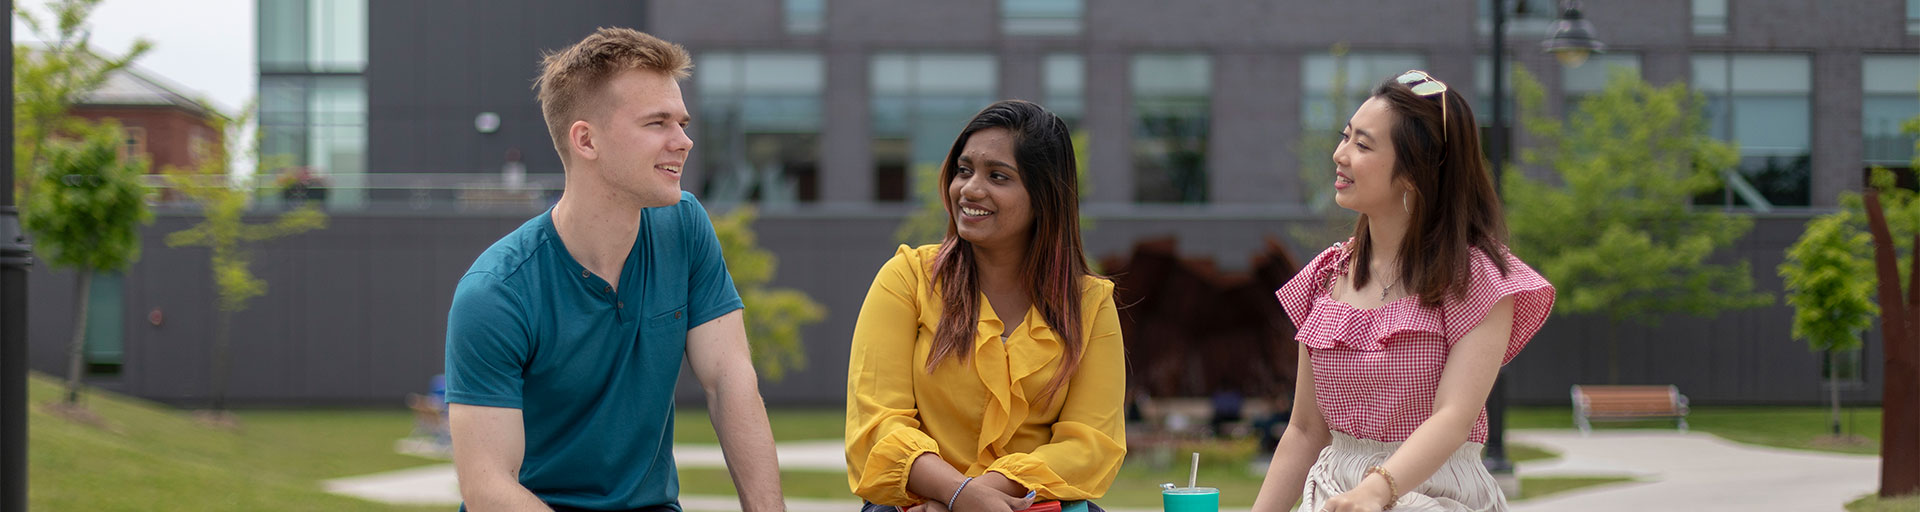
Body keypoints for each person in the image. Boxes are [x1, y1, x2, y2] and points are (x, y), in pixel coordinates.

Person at [444, 27, 783, 512]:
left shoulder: (684, 226)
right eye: (657, 123)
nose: (683, 141)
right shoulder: (497, 293)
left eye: (682, 122)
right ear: (586, 140)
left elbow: (729, 379)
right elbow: (487, 488)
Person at [1250, 70, 1556, 512]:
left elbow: (1453, 417)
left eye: (1363, 145)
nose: (1340, 154)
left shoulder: (1478, 279)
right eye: (1345, 136)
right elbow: (1304, 430)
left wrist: (1377, 490)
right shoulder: (1328, 274)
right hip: (1334, 495)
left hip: (1435, 491)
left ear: (1415, 174)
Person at [845, 100, 1126, 512]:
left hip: (1034, 505)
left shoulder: (1090, 304)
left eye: (997, 176)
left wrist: (978, 496)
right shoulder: (906, 278)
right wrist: (955, 492)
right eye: (964, 170)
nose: (970, 189)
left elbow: (1090, 443)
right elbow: (876, 425)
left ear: (1044, 195)